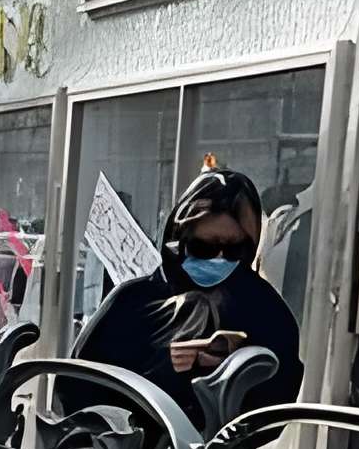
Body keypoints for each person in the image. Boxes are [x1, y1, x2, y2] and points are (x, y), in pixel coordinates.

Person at [72, 165, 303, 421]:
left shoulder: (264, 311)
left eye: (233, 249)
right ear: (179, 240)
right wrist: (164, 367)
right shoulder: (133, 301)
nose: (219, 259)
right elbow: (79, 382)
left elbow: (277, 397)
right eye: (203, 246)